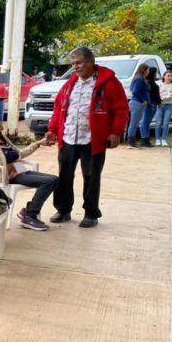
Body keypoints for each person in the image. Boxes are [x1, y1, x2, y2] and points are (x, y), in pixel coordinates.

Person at [46, 46, 129, 228]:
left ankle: (91, 213)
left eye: (79, 63)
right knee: (64, 176)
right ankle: (63, 210)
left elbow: (121, 109)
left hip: (92, 139)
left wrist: (115, 132)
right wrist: (52, 129)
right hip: (68, 137)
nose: (75, 67)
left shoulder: (109, 83)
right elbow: (59, 109)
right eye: (73, 64)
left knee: (91, 177)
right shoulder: (70, 84)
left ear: (91, 62)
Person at [0, 114, 58, 231]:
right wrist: (11, 156)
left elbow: (18, 153)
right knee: (48, 182)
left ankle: (28, 211)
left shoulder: (3, 138)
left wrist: (38, 143)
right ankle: (30, 215)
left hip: (19, 171)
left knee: (55, 179)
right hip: (9, 176)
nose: (0, 124)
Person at [125, 63, 150, 149]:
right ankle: (131, 142)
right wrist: (142, 100)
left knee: (135, 123)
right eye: (147, 70)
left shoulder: (139, 78)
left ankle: (132, 140)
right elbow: (135, 91)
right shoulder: (139, 79)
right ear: (144, 70)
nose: (148, 72)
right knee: (134, 123)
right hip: (137, 103)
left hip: (137, 103)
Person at [139, 67, 161, 147]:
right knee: (145, 122)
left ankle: (146, 140)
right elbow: (154, 95)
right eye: (155, 73)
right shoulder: (149, 83)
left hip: (152, 104)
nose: (156, 74)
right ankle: (144, 140)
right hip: (150, 104)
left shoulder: (150, 82)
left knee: (147, 123)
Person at [156, 71, 172, 146]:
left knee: (166, 123)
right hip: (160, 105)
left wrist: (165, 95)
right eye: (168, 76)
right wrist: (167, 94)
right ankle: (158, 139)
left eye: (171, 76)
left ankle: (164, 139)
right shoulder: (159, 84)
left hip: (169, 105)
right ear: (164, 76)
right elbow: (158, 95)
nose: (170, 77)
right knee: (158, 123)